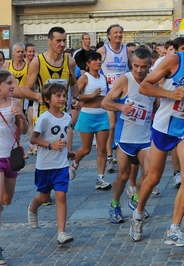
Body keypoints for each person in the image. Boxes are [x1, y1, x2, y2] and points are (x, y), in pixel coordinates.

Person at [131, 26, 184, 246]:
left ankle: (174, 229)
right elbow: (144, 86)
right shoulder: (173, 61)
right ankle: (138, 214)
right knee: (153, 178)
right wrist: (170, 94)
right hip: (164, 126)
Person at [101, 47, 154, 224]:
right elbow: (105, 101)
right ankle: (115, 204)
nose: (139, 70)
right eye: (136, 66)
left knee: (150, 175)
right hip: (125, 138)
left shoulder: (154, 80)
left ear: (150, 65)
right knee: (123, 175)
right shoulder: (125, 80)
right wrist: (121, 107)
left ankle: (136, 199)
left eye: (143, 67)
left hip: (146, 137)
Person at [28, 83, 76, 245]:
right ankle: (32, 208)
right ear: (48, 99)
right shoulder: (44, 118)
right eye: (58, 96)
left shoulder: (67, 117)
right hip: (44, 166)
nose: (62, 98)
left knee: (61, 195)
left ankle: (61, 232)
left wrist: (67, 152)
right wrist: (50, 145)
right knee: (43, 197)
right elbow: (33, 139)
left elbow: (62, 138)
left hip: (61, 165)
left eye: (64, 95)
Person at [68, 51, 111, 189]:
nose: (98, 62)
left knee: (102, 148)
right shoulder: (85, 78)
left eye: (99, 59)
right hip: (87, 115)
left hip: (102, 115)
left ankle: (100, 178)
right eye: (94, 60)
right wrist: (91, 95)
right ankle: (74, 163)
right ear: (88, 63)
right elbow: (76, 95)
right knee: (86, 149)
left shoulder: (103, 78)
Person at [0, 69, 29, 266]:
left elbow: (25, 130)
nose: (13, 86)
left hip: (12, 157)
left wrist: (21, 117)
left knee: (6, 200)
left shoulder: (15, 103)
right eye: (10, 83)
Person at [97, 24, 131, 173]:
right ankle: (110, 156)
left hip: (123, 94)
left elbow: (132, 68)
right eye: (115, 32)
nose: (119, 34)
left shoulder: (126, 50)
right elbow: (92, 67)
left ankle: (123, 152)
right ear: (109, 36)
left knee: (123, 124)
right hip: (108, 95)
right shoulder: (102, 50)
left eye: (121, 32)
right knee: (111, 125)